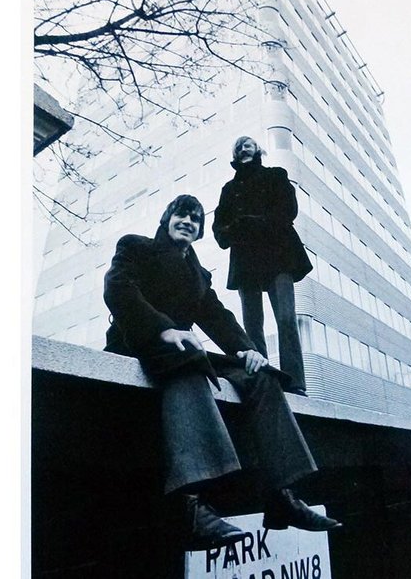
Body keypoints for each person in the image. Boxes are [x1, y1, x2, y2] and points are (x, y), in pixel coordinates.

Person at [103, 194, 340, 551]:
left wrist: (247, 350)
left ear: (199, 232)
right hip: (143, 342)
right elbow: (118, 289)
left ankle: (281, 497)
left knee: (260, 376)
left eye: (195, 219)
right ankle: (193, 507)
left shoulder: (198, 274)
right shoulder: (136, 247)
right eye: (181, 214)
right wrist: (162, 329)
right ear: (167, 219)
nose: (188, 221)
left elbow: (216, 317)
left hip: (183, 348)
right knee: (189, 361)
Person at [213, 136, 313, 396]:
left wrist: (250, 223)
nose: (243, 148)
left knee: (286, 319)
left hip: (278, 255)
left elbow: (287, 210)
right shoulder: (228, 189)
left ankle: (295, 382)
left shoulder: (276, 175)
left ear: (258, 150)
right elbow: (219, 228)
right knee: (252, 325)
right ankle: (263, 377)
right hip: (246, 262)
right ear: (234, 156)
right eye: (238, 147)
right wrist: (236, 228)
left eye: (248, 144)